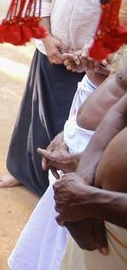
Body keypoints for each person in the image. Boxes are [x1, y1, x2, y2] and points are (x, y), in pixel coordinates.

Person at [0, 0, 116, 195]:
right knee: (34, 116)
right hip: (52, 47)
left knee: (74, 130)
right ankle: (21, 172)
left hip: (95, 64)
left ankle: (57, 192)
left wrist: (96, 49)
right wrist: (46, 37)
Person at [8, 47, 123, 270]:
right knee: (51, 249)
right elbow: (119, 110)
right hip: (83, 179)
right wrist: (80, 177)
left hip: (104, 198)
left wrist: (90, 195)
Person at [53, 88, 127, 268]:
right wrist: (82, 182)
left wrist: (94, 201)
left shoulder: (91, 201)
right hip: (98, 223)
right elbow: (120, 112)